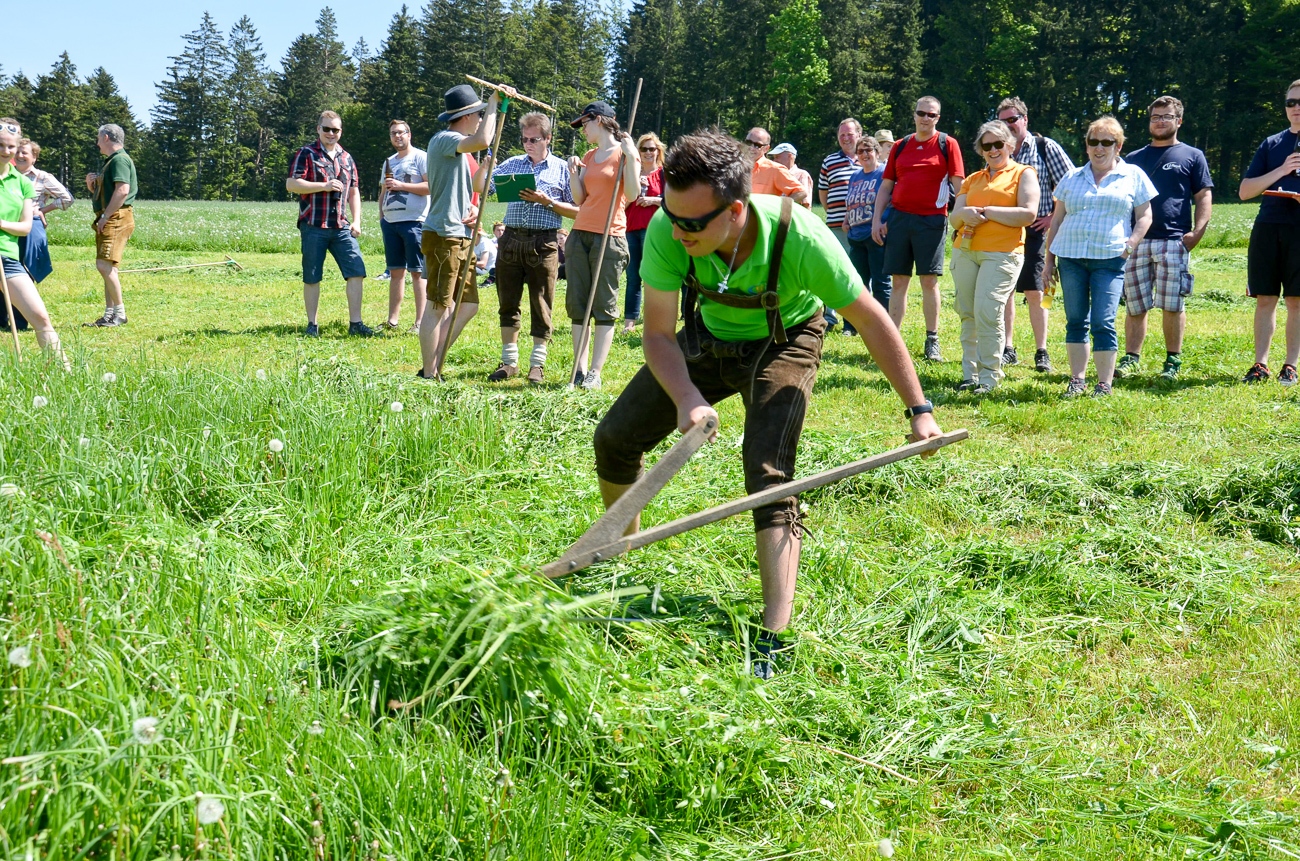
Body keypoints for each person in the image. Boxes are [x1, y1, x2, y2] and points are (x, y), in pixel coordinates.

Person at [591, 129, 942, 678]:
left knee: (769, 473)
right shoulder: (667, 228)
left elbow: (870, 319)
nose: (678, 230)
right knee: (615, 437)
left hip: (786, 338)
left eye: (692, 223)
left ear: (735, 210)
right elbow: (658, 334)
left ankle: (773, 636)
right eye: (673, 217)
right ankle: (622, 558)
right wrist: (687, 399)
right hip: (708, 336)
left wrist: (919, 412)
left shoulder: (801, 237)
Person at [1043, 116, 1156, 397]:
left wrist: (1129, 245)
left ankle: (1104, 383)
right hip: (1070, 258)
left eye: (1107, 142)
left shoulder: (1134, 175)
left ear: (1118, 146)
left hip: (1110, 260)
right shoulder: (1072, 177)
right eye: (1094, 142)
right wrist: (1048, 261)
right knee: (1076, 320)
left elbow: (1145, 216)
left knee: (1103, 321)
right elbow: (1056, 221)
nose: (1099, 148)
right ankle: (1077, 380)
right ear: (1087, 145)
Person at [473, 111, 577, 384]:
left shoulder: (562, 169)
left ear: (548, 138)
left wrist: (548, 202)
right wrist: (485, 166)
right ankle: (509, 362)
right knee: (508, 301)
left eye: (534, 139)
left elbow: (578, 210)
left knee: (542, 302)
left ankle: (537, 365)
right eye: (524, 139)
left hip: (544, 242)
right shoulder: (512, 164)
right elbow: (481, 188)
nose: (528, 144)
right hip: (511, 239)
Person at [1116, 96, 1213, 382]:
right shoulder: (1132, 159)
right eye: (1155, 117)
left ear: (1178, 121)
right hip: (1137, 241)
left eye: (1166, 116)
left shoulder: (1192, 156)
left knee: (1172, 303)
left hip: (1174, 240)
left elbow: (1203, 194)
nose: (1160, 121)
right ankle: (1131, 357)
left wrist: (1198, 231)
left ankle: (1173, 360)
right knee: (1135, 305)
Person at [420, 83, 511, 380]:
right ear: (469, 115)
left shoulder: (462, 148)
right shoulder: (444, 139)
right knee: (437, 305)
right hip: (443, 234)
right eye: (479, 113)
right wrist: (495, 103)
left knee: (468, 305)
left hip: (463, 234)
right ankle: (430, 373)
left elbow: (477, 188)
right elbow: (485, 138)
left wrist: (484, 168)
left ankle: (433, 360)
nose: (481, 118)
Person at [948, 120, 1040, 393]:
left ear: (1009, 146)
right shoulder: (972, 179)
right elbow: (955, 219)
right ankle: (970, 375)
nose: (992, 150)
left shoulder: (1023, 174)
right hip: (965, 252)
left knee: (988, 313)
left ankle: (990, 377)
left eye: (998, 144)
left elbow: (1027, 214)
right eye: (986, 146)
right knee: (968, 314)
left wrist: (986, 211)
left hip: (1002, 254)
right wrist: (964, 215)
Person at [871, 96, 965, 361]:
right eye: (921, 113)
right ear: (914, 115)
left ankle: (932, 339)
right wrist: (877, 220)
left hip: (932, 220)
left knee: (929, 281)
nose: (926, 118)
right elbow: (886, 186)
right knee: (898, 280)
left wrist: (962, 218)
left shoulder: (948, 144)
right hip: (900, 219)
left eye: (932, 115)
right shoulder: (900, 146)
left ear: (938, 118)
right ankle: (893, 341)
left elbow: (959, 186)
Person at [565, 100, 640, 391]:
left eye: (584, 123)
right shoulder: (590, 154)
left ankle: (595, 373)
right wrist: (573, 172)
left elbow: (632, 195)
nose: (582, 129)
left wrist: (632, 157)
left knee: (604, 306)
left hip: (610, 236)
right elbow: (578, 199)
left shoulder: (624, 155)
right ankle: (578, 371)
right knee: (578, 305)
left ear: (598, 120)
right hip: (580, 234)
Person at [996, 97, 1075, 372]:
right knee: (1004, 290)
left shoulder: (1045, 146)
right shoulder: (999, 151)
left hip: (1038, 231)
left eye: (1013, 119)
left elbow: (1071, 184)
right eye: (1003, 120)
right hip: (1005, 231)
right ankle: (1008, 348)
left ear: (1025, 119)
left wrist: (1053, 216)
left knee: (1037, 290)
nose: (1009, 125)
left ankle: (1042, 352)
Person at [286, 111, 373, 338]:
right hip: (314, 224)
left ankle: (356, 324)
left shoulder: (347, 157)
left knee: (356, 271)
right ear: (318, 129)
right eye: (327, 129)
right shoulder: (306, 153)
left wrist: (357, 220)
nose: (331, 134)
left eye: (335, 130)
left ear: (341, 132)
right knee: (312, 275)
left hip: (342, 225)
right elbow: (291, 184)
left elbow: (354, 191)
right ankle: (312, 325)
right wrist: (323, 186)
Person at [1238, 78, 1300, 386]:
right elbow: (1246, 191)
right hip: (1268, 226)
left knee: (1296, 300)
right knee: (1265, 298)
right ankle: (1260, 364)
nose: (1296, 108)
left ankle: (1290, 365)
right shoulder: (1272, 144)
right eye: (1291, 102)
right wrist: (1282, 170)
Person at [0, 119, 68, 368]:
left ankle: (65, 375)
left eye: (11, 147)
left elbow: (26, 227)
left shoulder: (23, 183)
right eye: (1, 145)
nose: (6, 152)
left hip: (7, 259)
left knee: (40, 316)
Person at [379, 120, 430, 334]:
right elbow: (383, 190)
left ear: (409, 134)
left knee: (417, 272)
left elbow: (430, 187)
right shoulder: (389, 161)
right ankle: (392, 321)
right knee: (395, 272)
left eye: (401, 132)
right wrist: (381, 214)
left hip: (415, 221)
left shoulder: (421, 157)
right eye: (393, 133)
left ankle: (420, 322)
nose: (397, 136)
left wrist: (402, 186)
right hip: (390, 223)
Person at [83, 124, 136, 328]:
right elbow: (110, 191)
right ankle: (109, 314)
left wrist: (106, 215)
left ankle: (119, 314)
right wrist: (92, 185)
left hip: (116, 217)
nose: (97, 143)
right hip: (111, 216)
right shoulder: (112, 161)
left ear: (106, 137)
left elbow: (122, 191)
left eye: (98, 139)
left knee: (104, 265)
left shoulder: (120, 160)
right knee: (108, 267)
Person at [817, 118, 864, 330]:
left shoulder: (868, 158)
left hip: (862, 226)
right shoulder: (829, 161)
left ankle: (853, 321)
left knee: (859, 273)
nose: (845, 138)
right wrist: (834, 213)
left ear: (859, 135)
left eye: (850, 134)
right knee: (833, 271)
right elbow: (823, 192)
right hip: (836, 227)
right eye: (842, 134)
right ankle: (829, 318)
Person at [623, 132, 666, 334]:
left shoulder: (665, 175)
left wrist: (653, 200)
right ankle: (629, 322)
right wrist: (636, 188)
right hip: (630, 229)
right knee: (632, 278)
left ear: (659, 151)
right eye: (644, 149)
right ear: (638, 152)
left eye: (652, 149)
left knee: (652, 277)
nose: (649, 152)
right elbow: (621, 204)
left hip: (654, 230)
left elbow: (673, 201)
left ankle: (652, 320)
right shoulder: (631, 173)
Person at [844, 135, 891, 316]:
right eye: (860, 151)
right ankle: (858, 323)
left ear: (877, 153)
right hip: (856, 236)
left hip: (876, 236)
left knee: (881, 282)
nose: (864, 154)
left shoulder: (885, 173)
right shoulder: (855, 175)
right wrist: (847, 218)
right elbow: (852, 200)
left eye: (868, 150)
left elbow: (894, 200)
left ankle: (884, 321)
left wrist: (886, 224)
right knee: (858, 284)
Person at [742, 127, 809, 206]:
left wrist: (779, 209)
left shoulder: (774, 169)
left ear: (766, 149)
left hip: (762, 218)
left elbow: (801, 192)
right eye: (748, 143)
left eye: (757, 145)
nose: (751, 148)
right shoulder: (736, 166)